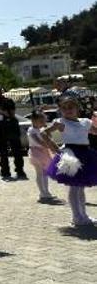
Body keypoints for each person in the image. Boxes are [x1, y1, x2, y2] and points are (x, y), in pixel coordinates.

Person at [44, 97, 97, 226]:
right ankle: (76, 217)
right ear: (61, 110)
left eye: (71, 107)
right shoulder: (61, 122)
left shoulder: (85, 122)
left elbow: (95, 132)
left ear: (77, 109)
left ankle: (83, 215)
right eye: (64, 108)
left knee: (81, 188)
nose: (68, 110)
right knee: (74, 187)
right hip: (71, 155)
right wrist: (53, 146)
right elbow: (44, 133)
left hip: (85, 154)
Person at [0, 87, 27, 180]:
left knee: (16, 150)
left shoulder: (8, 101)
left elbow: (12, 114)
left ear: (1, 92)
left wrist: (0, 110)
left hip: (11, 127)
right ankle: (5, 171)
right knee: (2, 151)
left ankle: (20, 170)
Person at [27, 111, 56, 203]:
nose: (43, 123)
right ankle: (42, 193)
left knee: (45, 173)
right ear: (33, 121)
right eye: (41, 121)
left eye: (44, 121)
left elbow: (49, 138)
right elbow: (38, 141)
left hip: (43, 152)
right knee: (40, 173)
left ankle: (46, 192)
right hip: (36, 152)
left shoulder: (41, 129)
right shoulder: (32, 130)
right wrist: (49, 146)